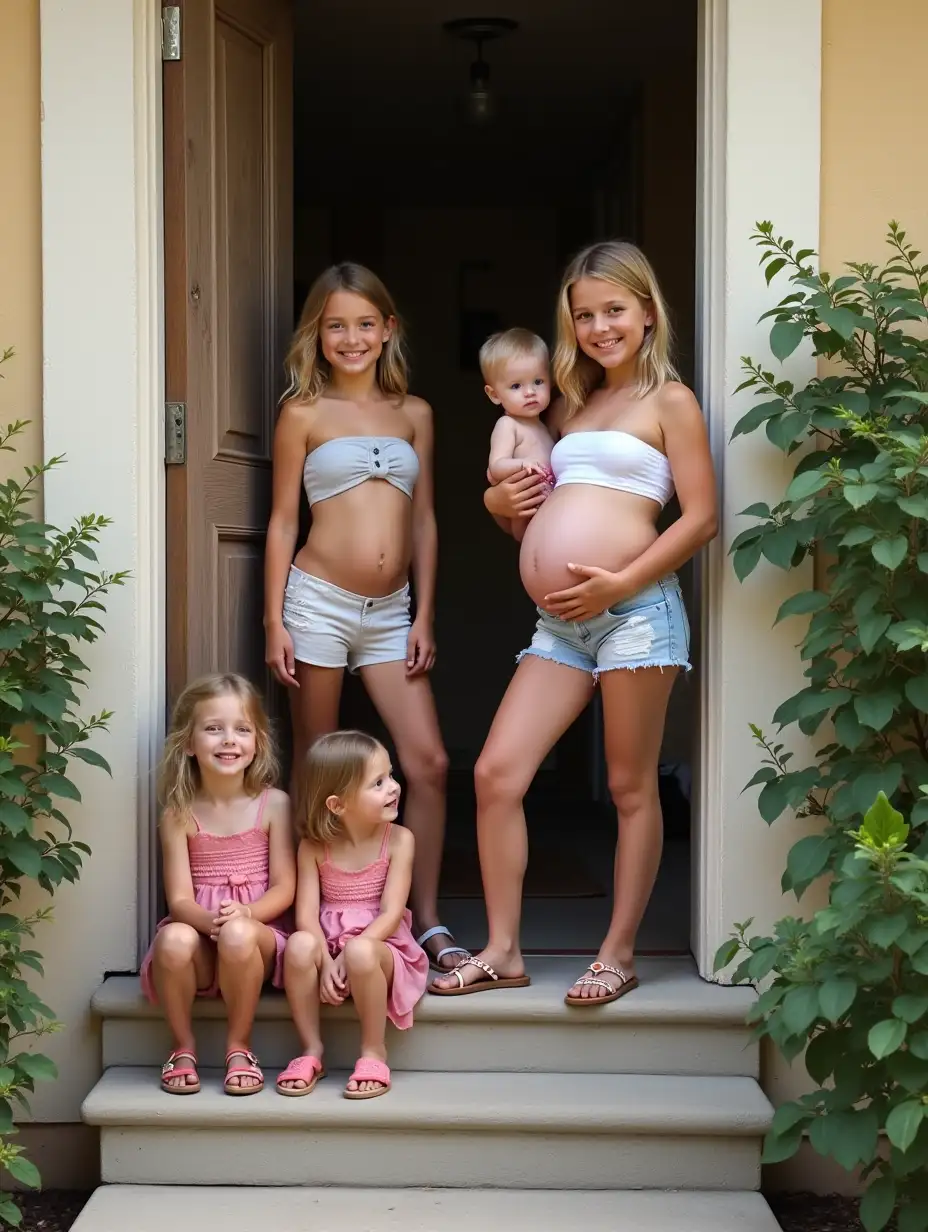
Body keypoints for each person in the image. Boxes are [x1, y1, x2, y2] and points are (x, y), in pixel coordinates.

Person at [432, 240, 718, 1004]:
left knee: (629, 787)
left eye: (614, 310)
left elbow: (703, 518)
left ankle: (617, 954)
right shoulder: (569, 402)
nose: (599, 327)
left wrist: (619, 580)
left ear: (648, 313)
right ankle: (503, 950)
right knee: (496, 774)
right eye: (584, 314)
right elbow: (526, 502)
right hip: (560, 627)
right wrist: (496, 507)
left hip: (634, 615)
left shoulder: (671, 403)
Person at [264, 262, 465, 976]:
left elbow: (427, 521)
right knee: (321, 769)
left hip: (391, 615)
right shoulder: (303, 414)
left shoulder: (416, 413)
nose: (351, 338)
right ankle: (313, 924)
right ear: (317, 336)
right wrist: (274, 622)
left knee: (430, 764)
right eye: (335, 325)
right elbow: (284, 520)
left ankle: (427, 917)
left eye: (364, 324)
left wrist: (424, 615)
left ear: (389, 331)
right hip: (316, 602)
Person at [140, 674, 295, 1094]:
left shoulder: (274, 804)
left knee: (240, 934)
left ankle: (239, 1045)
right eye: (214, 728)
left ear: (258, 741)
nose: (229, 740)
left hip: (255, 944)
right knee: (171, 939)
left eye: (242, 729)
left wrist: (245, 914)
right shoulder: (178, 814)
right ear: (189, 743)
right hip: (203, 939)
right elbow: (178, 899)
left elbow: (285, 888)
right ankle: (182, 1045)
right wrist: (211, 922)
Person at [277, 731, 428, 1099]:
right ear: (337, 804)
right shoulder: (314, 847)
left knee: (360, 951)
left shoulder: (398, 840)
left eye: (390, 776)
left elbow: (392, 912)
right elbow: (307, 915)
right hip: (328, 947)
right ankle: (311, 1049)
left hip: (381, 947)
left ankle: (374, 1050)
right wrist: (326, 963)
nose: (393, 787)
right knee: (298, 945)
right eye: (377, 783)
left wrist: (349, 951)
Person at [483, 328, 555, 542]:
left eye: (538, 381)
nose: (530, 392)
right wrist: (522, 464)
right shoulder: (508, 425)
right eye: (516, 386)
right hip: (526, 512)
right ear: (494, 395)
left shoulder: (543, 427)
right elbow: (496, 466)